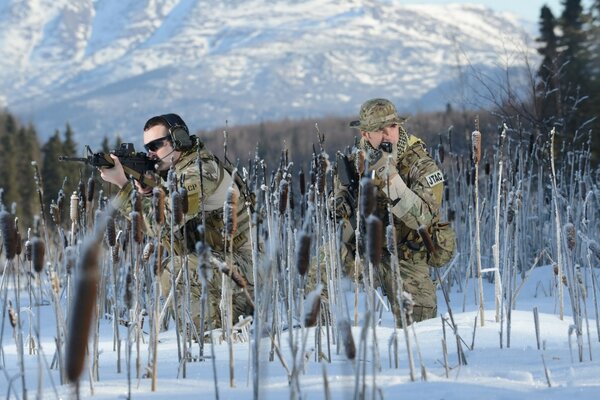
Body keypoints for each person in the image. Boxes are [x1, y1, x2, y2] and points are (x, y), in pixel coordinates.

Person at [99, 113, 254, 336]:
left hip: (244, 270)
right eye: (147, 147)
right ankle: (213, 332)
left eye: (155, 145)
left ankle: (206, 340)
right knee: (172, 265)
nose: (150, 153)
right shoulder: (177, 171)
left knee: (174, 270)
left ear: (179, 139)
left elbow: (161, 225)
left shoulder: (200, 171)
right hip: (220, 266)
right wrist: (146, 192)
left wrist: (123, 186)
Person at [334, 98, 454, 325]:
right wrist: (345, 206)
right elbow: (337, 209)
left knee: (419, 324)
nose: (389, 134)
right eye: (380, 129)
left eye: (393, 126)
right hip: (364, 249)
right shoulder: (354, 161)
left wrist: (390, 179)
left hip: (407, 252)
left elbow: (423, 217)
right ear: (365, 134)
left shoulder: (420, 163)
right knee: (318, 273)